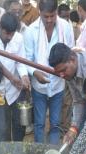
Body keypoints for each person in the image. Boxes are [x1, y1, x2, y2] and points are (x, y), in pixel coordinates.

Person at [24, 0, 74, 145]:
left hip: (58, 84)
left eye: (52, 16)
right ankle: (39, 152)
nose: (49, 20)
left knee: (55, 123)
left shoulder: (65, 27)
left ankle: (51, 152)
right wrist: (35, 73)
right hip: (38, 87)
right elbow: (27, 59)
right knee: (39, 123)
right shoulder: (31, 31)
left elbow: (70, 52)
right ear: (39, 12)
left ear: (57, 12)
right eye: (45, 16)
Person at [0, 13, 30, 141]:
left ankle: (17, 153)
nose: (9, 37)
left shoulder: (19, 39)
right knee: (1, 129)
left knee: (19, 125)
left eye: (12, 34)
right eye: (6, 33)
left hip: (14, 90)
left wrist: (24, 76)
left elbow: (20, 62)